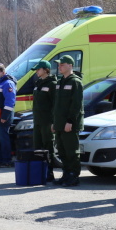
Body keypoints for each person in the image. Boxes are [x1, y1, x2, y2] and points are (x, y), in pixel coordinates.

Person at [51, 57, 83, 185]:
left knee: (71, 150)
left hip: (69, 123)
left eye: (62, 65)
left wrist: (70, 121)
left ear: (70, 65)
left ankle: (73, 175)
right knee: (62, 150)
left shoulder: (75, 82)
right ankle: (66, 173)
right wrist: (54, 122)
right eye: (59, 65)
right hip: (59, 122)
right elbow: (57, 104)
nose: (59, 67)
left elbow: (76, 104)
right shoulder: (60, 82)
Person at [31, 60, 57, 181]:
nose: (36, 71)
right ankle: (39, 171)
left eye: (38, 69)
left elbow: (55, 105)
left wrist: (53, 122)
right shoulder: (38, 83)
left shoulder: (52, 84)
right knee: (37, 147)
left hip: (47, 121)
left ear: (45, 70)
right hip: (37, 121)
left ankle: (49, 172)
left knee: (48, 147)